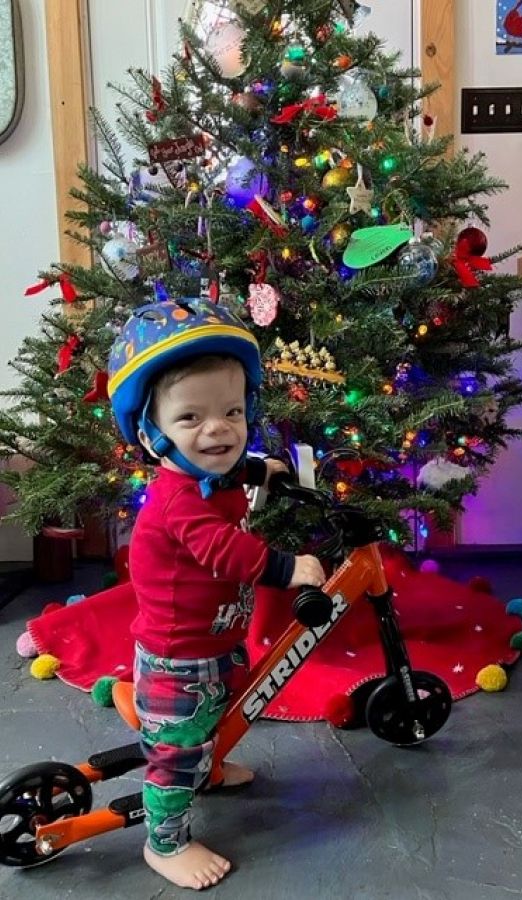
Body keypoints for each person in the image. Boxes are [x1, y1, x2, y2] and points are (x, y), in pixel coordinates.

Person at [107, 297, 326, 891]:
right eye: (191, 419)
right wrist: (289, 569)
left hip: (217, 640)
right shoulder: (178, 501)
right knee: (177, 751)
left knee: (220, 713)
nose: (218, 429)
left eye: (232, 410)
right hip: (179, 657)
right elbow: (226, 551)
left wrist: (263, 470)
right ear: (153, 435)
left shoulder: (210, 472)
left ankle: (212, 765)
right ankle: (164, 842)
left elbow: (231, 468)